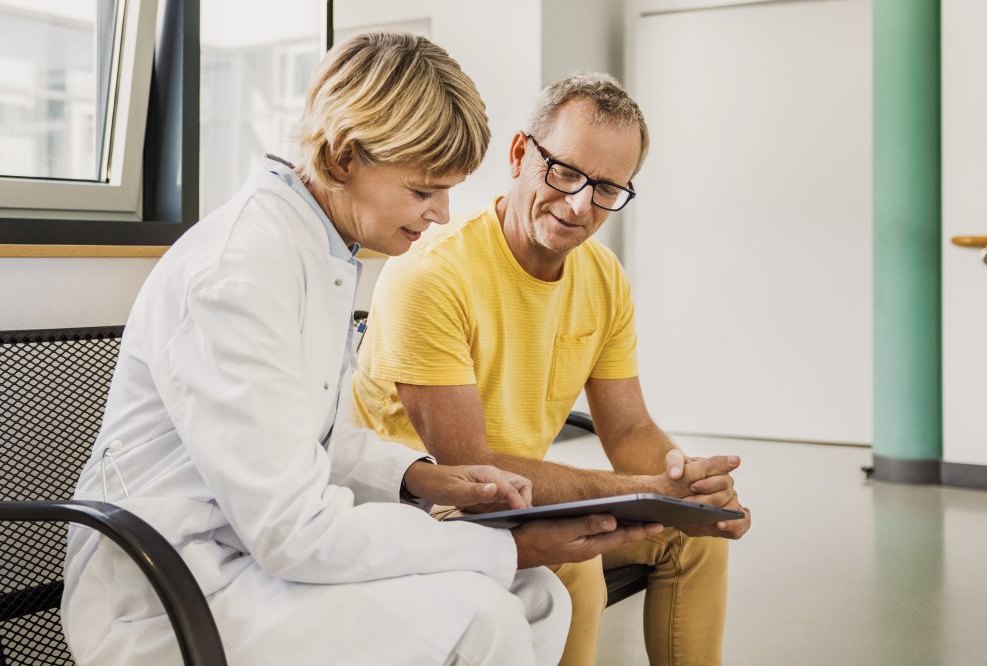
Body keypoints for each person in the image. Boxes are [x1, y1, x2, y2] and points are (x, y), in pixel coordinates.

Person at [61, 35, 662, 666]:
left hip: (245, 553)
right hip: (172, 589)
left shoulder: (317, 249)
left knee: (537, 597)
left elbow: (306, 436)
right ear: (347, 156)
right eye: (425, 190)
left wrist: (416, 476)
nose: (442, 213)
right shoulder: (239, 273)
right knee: (482, 615)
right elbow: (292, 530)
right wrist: (513, 547)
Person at [352, 72, 753, 666]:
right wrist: (643, 490)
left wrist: (685, 485)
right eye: (566, 172)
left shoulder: (603, 276)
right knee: (576, 561)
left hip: (528, 500)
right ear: (521, 154)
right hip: (426, 508)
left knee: (694, 541)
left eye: (609, 189)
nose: (579, 205)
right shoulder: (431, 274)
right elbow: (473, 475)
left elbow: (629, 431)